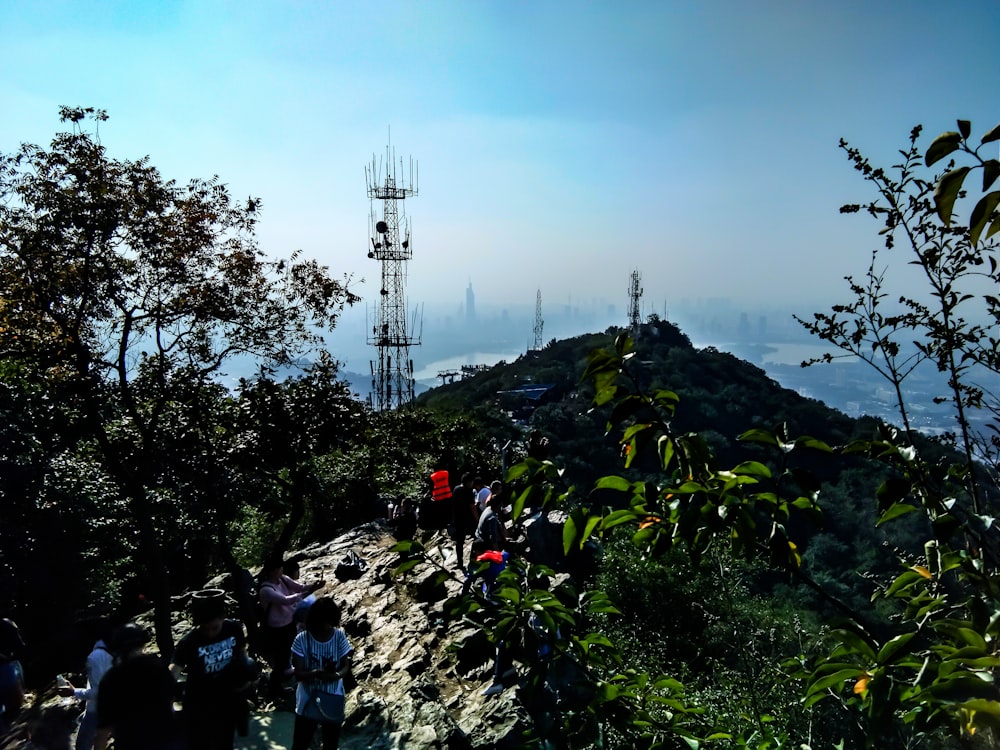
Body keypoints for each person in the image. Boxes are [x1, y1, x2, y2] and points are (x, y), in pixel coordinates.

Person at [171, 590, 253, 750]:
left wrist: (247, 678)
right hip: (199, 703)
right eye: (205, 628)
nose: (210, 633)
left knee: (225, 742)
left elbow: (242, 655)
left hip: (227, 699)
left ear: (223, 617)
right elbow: (174, 670)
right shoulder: (189, 642)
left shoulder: (233, 629)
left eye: (214, 628)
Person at [96, 623, 184, 750]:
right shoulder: (158, 669)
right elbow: (171, 702)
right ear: (143, 646)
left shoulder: (110, 680)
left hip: (132, 743)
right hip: (166, 739)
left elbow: (103, 731)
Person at [257, 556, 324, 701]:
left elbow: (299, 587)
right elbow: (286, 600)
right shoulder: (266, 589)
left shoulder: (283, 579)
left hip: (289, 623)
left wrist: (314, 586)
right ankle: (273, 691)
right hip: (276, 629)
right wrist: (306, 594)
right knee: (280, 661)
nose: (280, 571)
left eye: (280, 568)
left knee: (288, 653)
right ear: (270, 571)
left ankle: (279, 686)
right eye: (277, 569)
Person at [290, 597, 352, 750]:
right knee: (300, 743)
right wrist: (316, 673)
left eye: (329, 622)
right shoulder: (302, 640)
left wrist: (336, 675)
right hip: (307, 699)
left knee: (331, 744)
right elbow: (298, 674)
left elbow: (345, 666)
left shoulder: (339, 636)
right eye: (323, 622)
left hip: (333, 696)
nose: (326, 626)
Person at [57, 619, 115, 750]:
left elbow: (98, 692)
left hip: (97, 709)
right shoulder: (112, 650)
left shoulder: (94, 657)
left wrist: (73, 692)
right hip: (116, 706)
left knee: (82, 745)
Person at [0, 616, 25, 731]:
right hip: (8, 666)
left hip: (8, 667)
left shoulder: (7, 624)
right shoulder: (7, 623)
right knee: (16, 709)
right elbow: (20, 645)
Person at [451, 473, 480, 570]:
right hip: (468, 520)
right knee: (477, 538)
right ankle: (474, 559)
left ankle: (460, 563)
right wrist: (478, 520)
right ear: (469, 482)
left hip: (457, 520)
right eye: (472, 482)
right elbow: (472, 507)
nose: (472, 484)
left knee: (459, 543)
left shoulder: (456, 489)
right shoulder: (468, 491)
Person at [472, 490, 507, 556]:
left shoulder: (488, 509)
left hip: (478, 535)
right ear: (499, 505)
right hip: (483, 541)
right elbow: (493, 537)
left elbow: (498, 527)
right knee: (502, 546)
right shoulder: (492, 518)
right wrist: (497, 553)